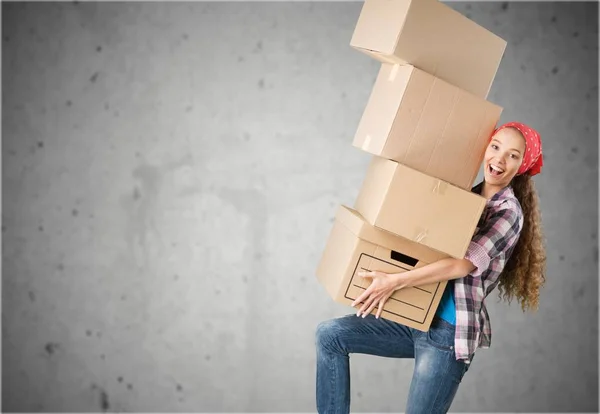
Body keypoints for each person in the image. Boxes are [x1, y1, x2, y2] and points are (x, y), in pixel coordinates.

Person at [315, 122, 546, 414]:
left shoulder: (508, 213)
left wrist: (393, 281)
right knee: (330, 335)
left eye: (513, 155)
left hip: (447, 334)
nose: (499, 159)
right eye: (496, 146)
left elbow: (462, 265)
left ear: (522, 166)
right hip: (415, 316)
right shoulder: (464, 196)